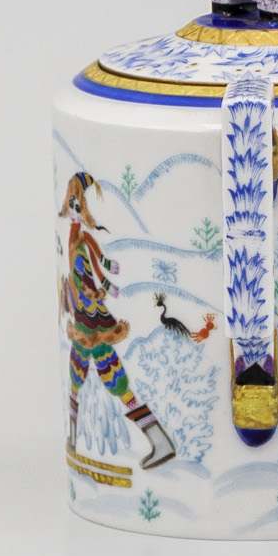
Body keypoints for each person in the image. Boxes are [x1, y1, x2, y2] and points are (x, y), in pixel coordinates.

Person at [60, 173, 178, 469]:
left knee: (118, 385)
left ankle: (160, 442)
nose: (73, 210)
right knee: (75, 380)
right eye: (71, 203)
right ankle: (73, 445)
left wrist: (95, 292)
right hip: (83, 322)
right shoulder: (76, 239)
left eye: (78, 205)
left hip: (92, 325)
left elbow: (88, 277)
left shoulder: (82, 241)